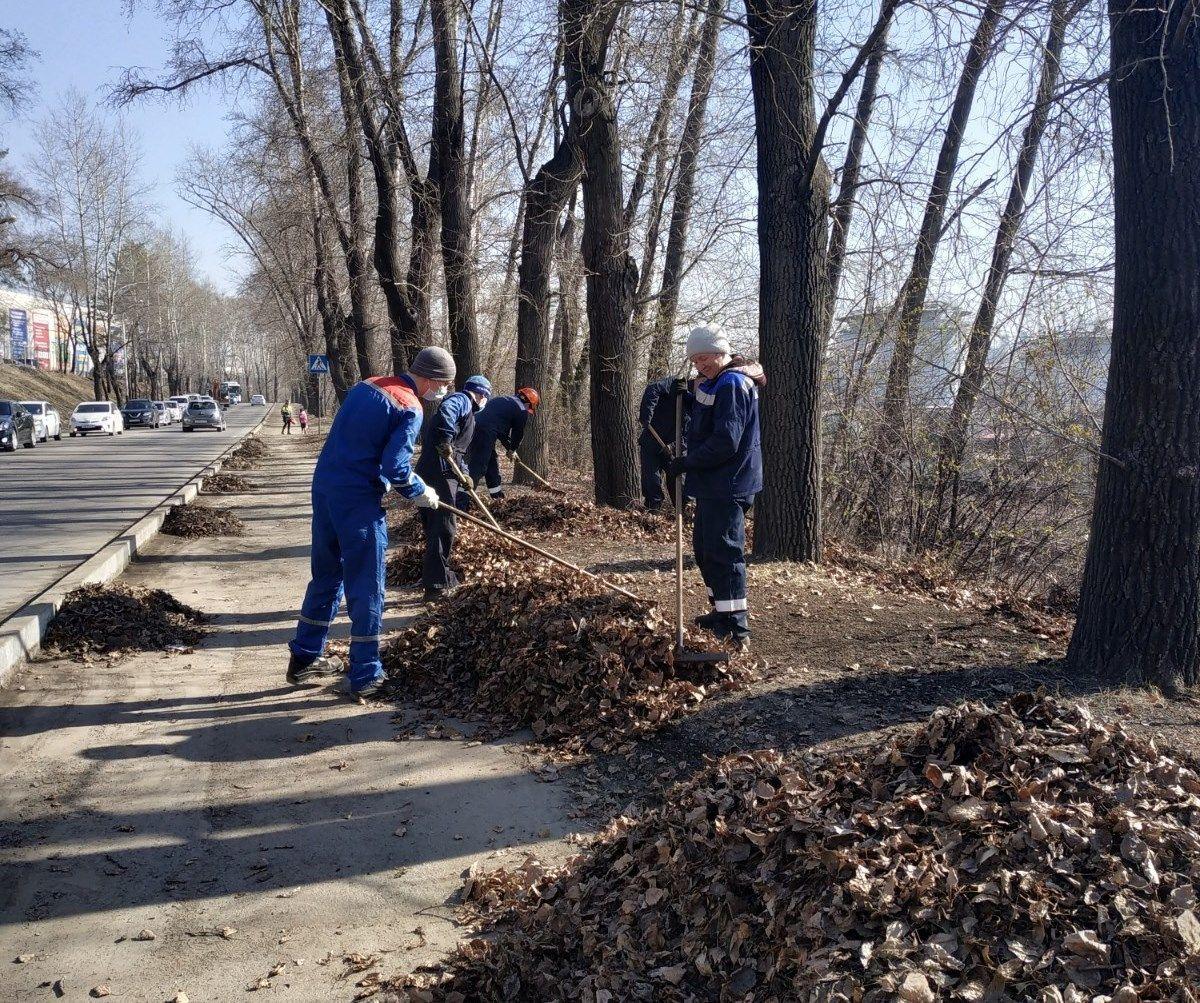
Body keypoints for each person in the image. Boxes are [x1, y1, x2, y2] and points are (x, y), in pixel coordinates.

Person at [286, 347, 455, 698]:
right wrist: (420, 491)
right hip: (358, 501)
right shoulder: (410, 406)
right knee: (367, 585)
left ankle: (303, 658)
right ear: (429, 379)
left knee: (327, 575)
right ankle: (365, 673)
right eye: (443, 384)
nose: (443, 391)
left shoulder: (367, 385)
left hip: (326, 488)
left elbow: (360, 442)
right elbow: (395, 466)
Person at [668, 326, 765, 650]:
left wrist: (689, 462)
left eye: (704, 357)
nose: (699, 364)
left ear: (721, 352)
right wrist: (686, 395)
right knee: (706, 551)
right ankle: (721, 612)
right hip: (714, 483)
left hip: (729, 482)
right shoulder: (718, 382)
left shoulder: (733, 383)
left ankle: (736, 627)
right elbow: (707, 413)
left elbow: (726, 440)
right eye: (694, 359)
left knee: (723, 552)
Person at [414, 374, 493, 602]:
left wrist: (466, 475)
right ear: (481, 394)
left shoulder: (468, 412)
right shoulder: (462, 400)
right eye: (485, 396)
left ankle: (442, 577)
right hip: (438, 473)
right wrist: (445, 440)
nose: (485, 400)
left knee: (436, 528)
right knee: (443, 527)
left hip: (437, 470)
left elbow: (457, 452)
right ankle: (436, 587)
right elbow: (446, 415)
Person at [466, 387, 539, 500]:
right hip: (484, 432)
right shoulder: (521, 410)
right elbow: (518, 434)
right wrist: (513, 449)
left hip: (474, 427)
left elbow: (501, 432)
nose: (528, 410)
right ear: (528, 403)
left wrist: (510, 448)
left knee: (491, 462)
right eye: (529, 407)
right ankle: (463, 499)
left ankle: (497, 497)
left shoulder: (503, 400)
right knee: (479, 465)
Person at [638, 375, 690, 511]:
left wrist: (673, 446)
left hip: (676, 447)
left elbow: (692, 433)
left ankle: (683, 512)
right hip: (652, 440)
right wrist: (646, 414)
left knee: (678, 482)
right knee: (651, 480)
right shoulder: (676, 383)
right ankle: (653, 511)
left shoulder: (701, 398)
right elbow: (653, 389)